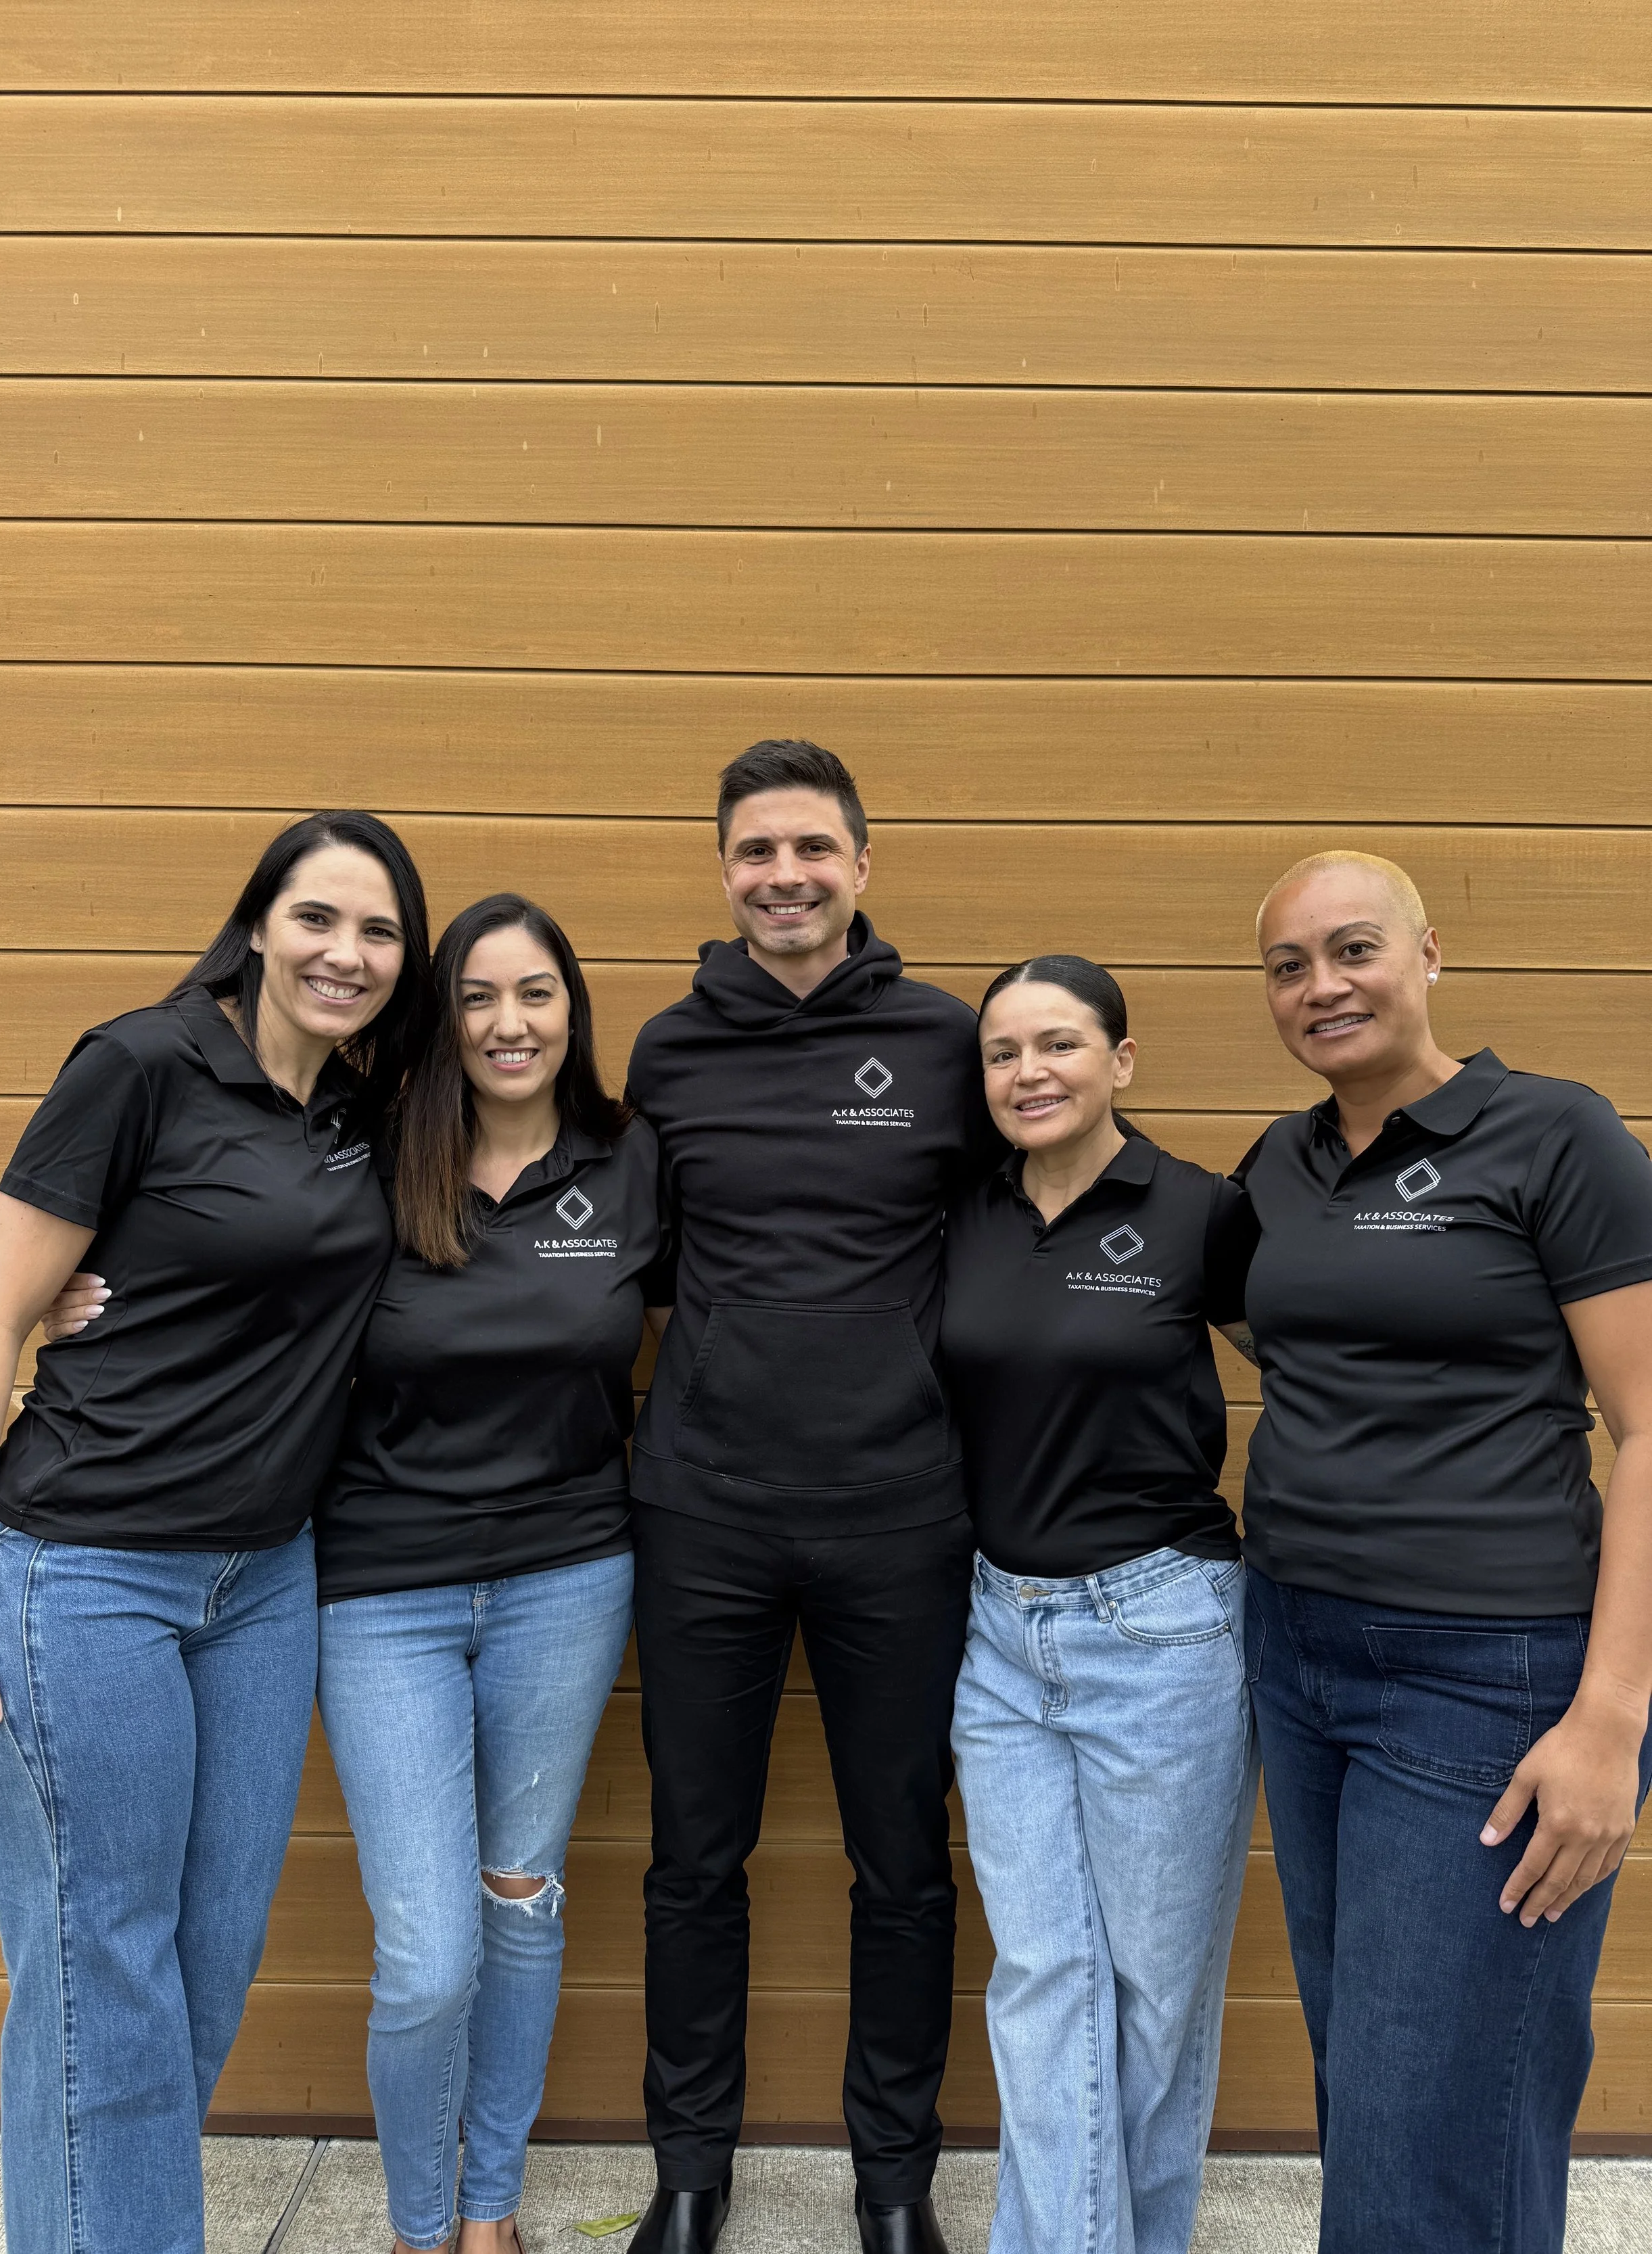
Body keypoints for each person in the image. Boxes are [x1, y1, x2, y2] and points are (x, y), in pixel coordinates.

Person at [45, 893, 672, 2254]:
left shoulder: (633, 1162)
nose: (509, 1024)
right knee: (428, 1948)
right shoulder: (368, 1149)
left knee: (520, 1902)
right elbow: (217, 1248)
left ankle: (489, 2209)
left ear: (573, 1011)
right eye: (476, 997)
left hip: (569, 1576)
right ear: (438, 1020)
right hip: (379, 1583)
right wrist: (64, 1296)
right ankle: (416, 2219)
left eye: (537, 995)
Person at [0, 812, 430, 2254]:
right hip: (83, 1569)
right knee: (104, 1968)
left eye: (377, 932)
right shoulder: (141, 1063)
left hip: (261, 1581)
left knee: (203, 1963)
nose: (344, 954)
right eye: (316, 918)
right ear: (256, 923)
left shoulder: (363, 1106)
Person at [1235, 850, 1652, 2253]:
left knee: (1434, 2118)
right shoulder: (1278, 1165)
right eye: (1287, 966)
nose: (1319, 985)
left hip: (1482, 1675)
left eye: (1350, 948)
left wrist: (1608, 1718)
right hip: (1293, 1652)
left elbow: (1649, 1426)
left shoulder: (1552, 1135)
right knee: (1380, 2085)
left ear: (1427, 953)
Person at [623, 740, 1004, 2254]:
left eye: (810, 848)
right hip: (701, 1509)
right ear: (721, 870)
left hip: (901, 1513)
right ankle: (690, 2171)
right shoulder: (665, 1050)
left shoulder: (943, 1041)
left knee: (901, 1857)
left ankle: (893, 2179)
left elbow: (1018, 1232)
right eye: (754, 850)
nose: (782, 874)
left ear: (863, 860)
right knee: (690, 1855)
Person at [942, 956, 1259, 2254]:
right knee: (1041, 1978)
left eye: (1061, 1045)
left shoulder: (1201, 1213)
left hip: (1164, 1630)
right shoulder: (962, 1216)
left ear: (1121, 1060)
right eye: (1006, 1052)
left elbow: (1325, 1372)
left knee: (1157, 1994)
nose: (1032, 1073)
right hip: (998, 1636)